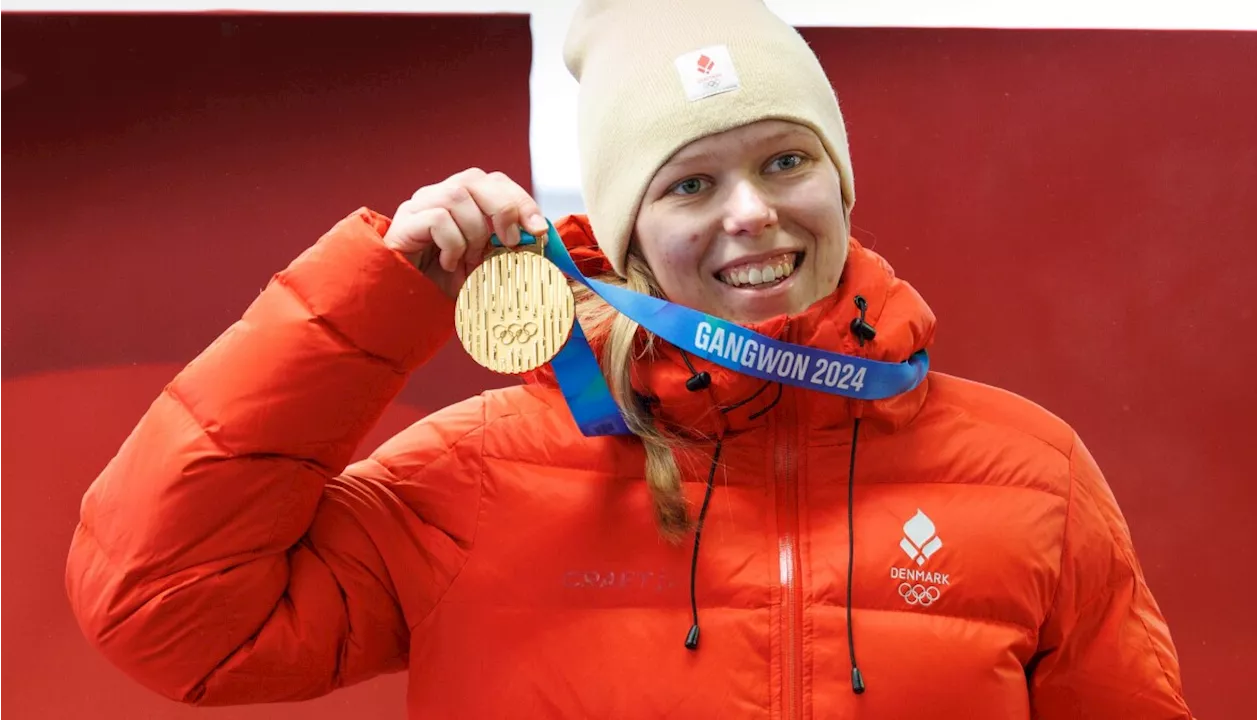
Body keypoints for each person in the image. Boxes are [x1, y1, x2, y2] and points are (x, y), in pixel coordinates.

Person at [65, 0, 1195, 718]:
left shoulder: (1025, 471)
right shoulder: (475, 477)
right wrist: (377, 295)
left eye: (786, 159)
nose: (751, 215)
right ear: (624, 229)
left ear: (839, 179)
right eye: (689, 184)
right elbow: (168, 618)